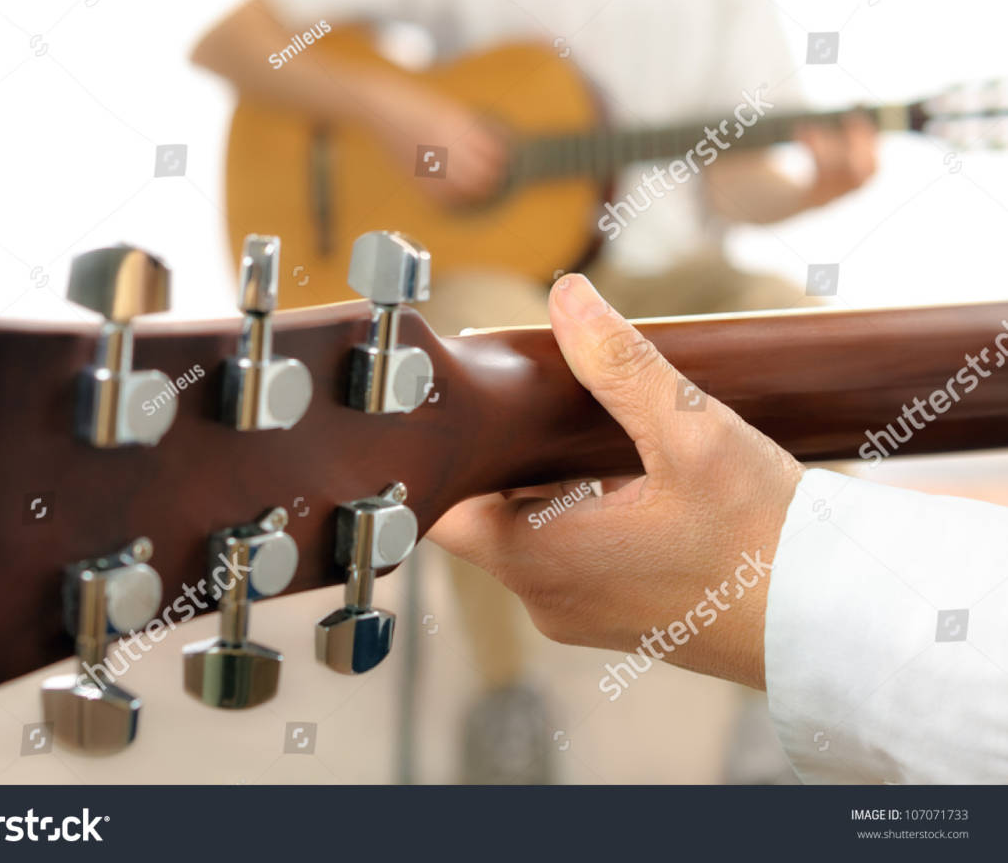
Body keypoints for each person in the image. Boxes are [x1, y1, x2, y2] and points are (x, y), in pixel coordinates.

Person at [192, 0, 877, 782]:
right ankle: (506, 693)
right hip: (507, 277)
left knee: (814, 344)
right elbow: (231, 40)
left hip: (677, 280)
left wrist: (811, 190)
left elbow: (735, 181)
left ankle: (781, 707)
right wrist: (396, 110)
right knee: (482, 349)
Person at [429, 272, 1008, 784]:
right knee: (492, 356)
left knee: (793, 324)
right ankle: (503, 687)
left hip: (662, 270)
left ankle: (785, 698)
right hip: (497, 271)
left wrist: (813, 178)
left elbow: (742, 191)